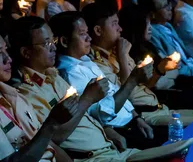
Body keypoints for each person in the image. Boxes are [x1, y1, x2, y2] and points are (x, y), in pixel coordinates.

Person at [0, 25, 73, 161]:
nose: (8, 59)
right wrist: (51, 124)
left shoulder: (13, 94)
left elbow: (49, 145)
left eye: (6, 50)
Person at [82, 4, 193, 133]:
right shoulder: (96, 64)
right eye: (114, 24)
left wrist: (159, 70)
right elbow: (128, 95)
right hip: (145, 116)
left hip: (161, 109)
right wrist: (122, 58)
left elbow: (144, 86)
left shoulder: (118, 51)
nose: (120, 29)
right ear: (98, 31)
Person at [50, 11, 161, 149]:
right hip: (119, 131)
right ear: (65, 41)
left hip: (133, 122)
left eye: (87, 33)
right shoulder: (70, 73)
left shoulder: (86, 61)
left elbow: (114, 90)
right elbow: (102, 114)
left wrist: (135, 117)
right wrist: (133, 80)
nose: (89, 38)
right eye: (82, 34)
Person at [137, 0, 193, 93]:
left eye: (168, 4)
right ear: (152, 14)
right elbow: (172, 67)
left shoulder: (168, 26)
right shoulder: (152, 34)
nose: (170, 8)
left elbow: (187, 58)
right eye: (164, 7)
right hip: (187, 80)